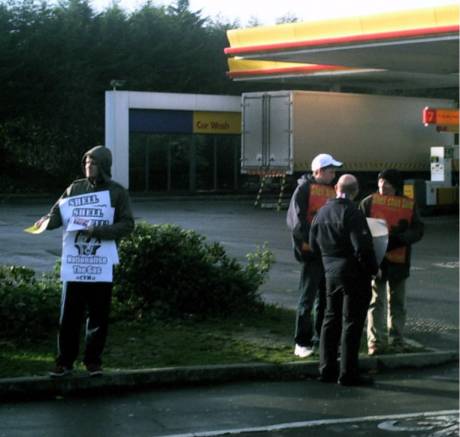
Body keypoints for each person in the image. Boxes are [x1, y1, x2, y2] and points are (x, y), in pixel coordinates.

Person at [35, 145, 134, 377]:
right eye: (87, 163)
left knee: (98, 315)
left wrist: (98, 230)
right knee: (69, 314)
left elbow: (127, 225)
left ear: (104, 166)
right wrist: (45, 222)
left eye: (94, 163)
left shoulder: (117, 192)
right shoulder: (75, 188)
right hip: (75, 264)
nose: (89, 166)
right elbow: (57, 214)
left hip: (101, 264)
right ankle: (64, 362)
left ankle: (93, 362)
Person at [309, 174, 378, 386]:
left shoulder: (321, 212)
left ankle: (326, 369)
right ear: (355, 191)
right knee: (352, 323)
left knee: (330, 320)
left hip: (330, 274)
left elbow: (313, 244)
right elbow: (363, 248)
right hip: (353, 275)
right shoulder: (352, 213)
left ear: (336, 188)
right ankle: (348, 373)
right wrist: (373, 270)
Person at [360, 169, 424, 356]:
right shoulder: (369, 202)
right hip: (376, 260)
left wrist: (401, 239)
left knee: (397, 302)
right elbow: (358, 226)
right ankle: (376, 342)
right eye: (380, 183)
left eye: (386, 183)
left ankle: (396, 340)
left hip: (399, 261)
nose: (382, 186)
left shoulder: (408, 205)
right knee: (376, 301)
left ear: (395, 185)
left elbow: (418, 229)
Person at [286, 153, 343, 358]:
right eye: (330, 170)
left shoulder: (332, 191)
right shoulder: (303, 189)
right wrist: (315, 242)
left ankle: (321, 340)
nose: (333, 174)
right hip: (312, 253)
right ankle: (302, 342)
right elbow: (296, 222)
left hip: (328, 254)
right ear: (318, 171)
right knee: (307, 298)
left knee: (325, 300)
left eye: (334, 171)